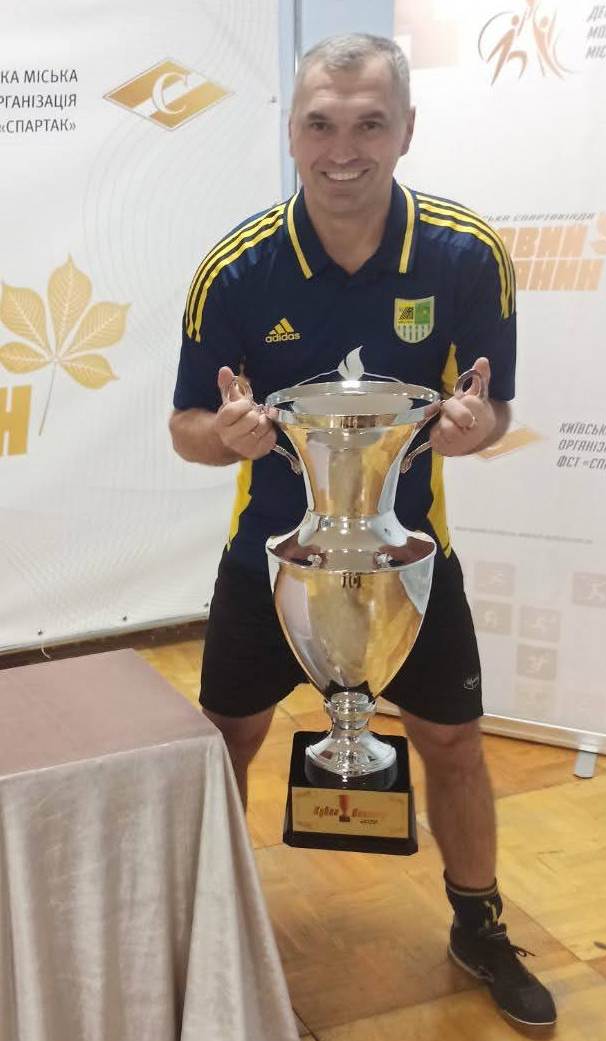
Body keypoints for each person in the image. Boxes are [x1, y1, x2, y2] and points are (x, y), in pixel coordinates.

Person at [170, 33, 556, 1029]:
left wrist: (473, 427)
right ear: (292, 133)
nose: (343, 151)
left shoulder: (464, 255)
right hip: (271, 555)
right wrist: (224, 434)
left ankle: (478, 924)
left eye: (369, 124)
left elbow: (490, 409)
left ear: (406, 131)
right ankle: (207, 925)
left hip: (409, 552)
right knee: (225, 738)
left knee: (454, 741)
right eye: (321, 125)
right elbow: (187, 429)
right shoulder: (237, 269)